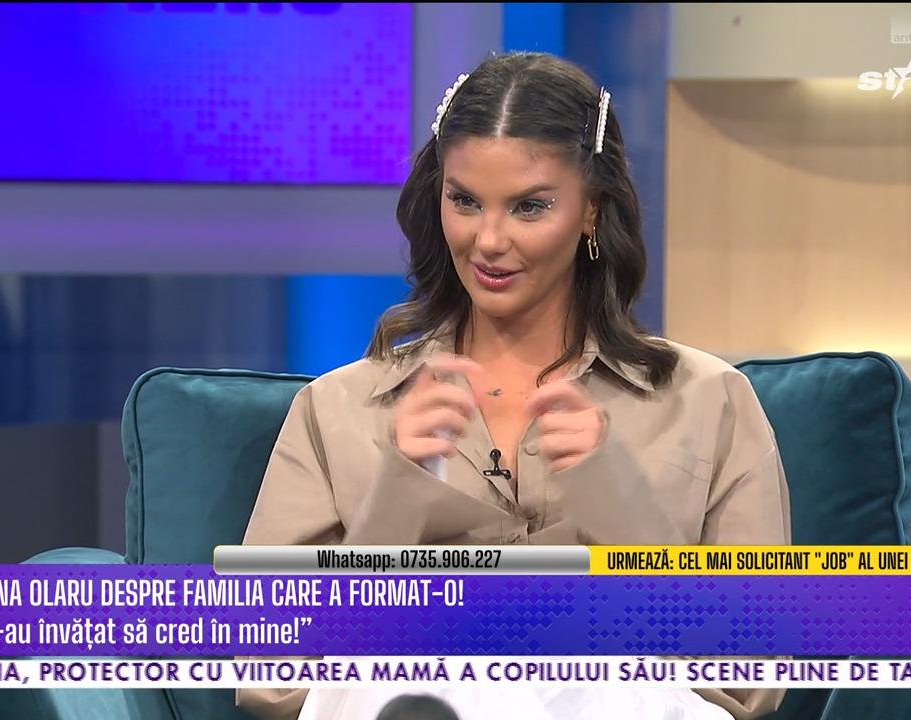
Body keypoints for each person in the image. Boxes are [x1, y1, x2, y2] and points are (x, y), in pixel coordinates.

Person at [237, 52, 791, 719]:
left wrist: (619, 507)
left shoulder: (708, 401)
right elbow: (269, 677)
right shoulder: (338, 409)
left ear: (592, 211)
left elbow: (749, 679)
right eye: (465, 202)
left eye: (530, 207)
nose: (489, 240)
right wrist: (394, 505)